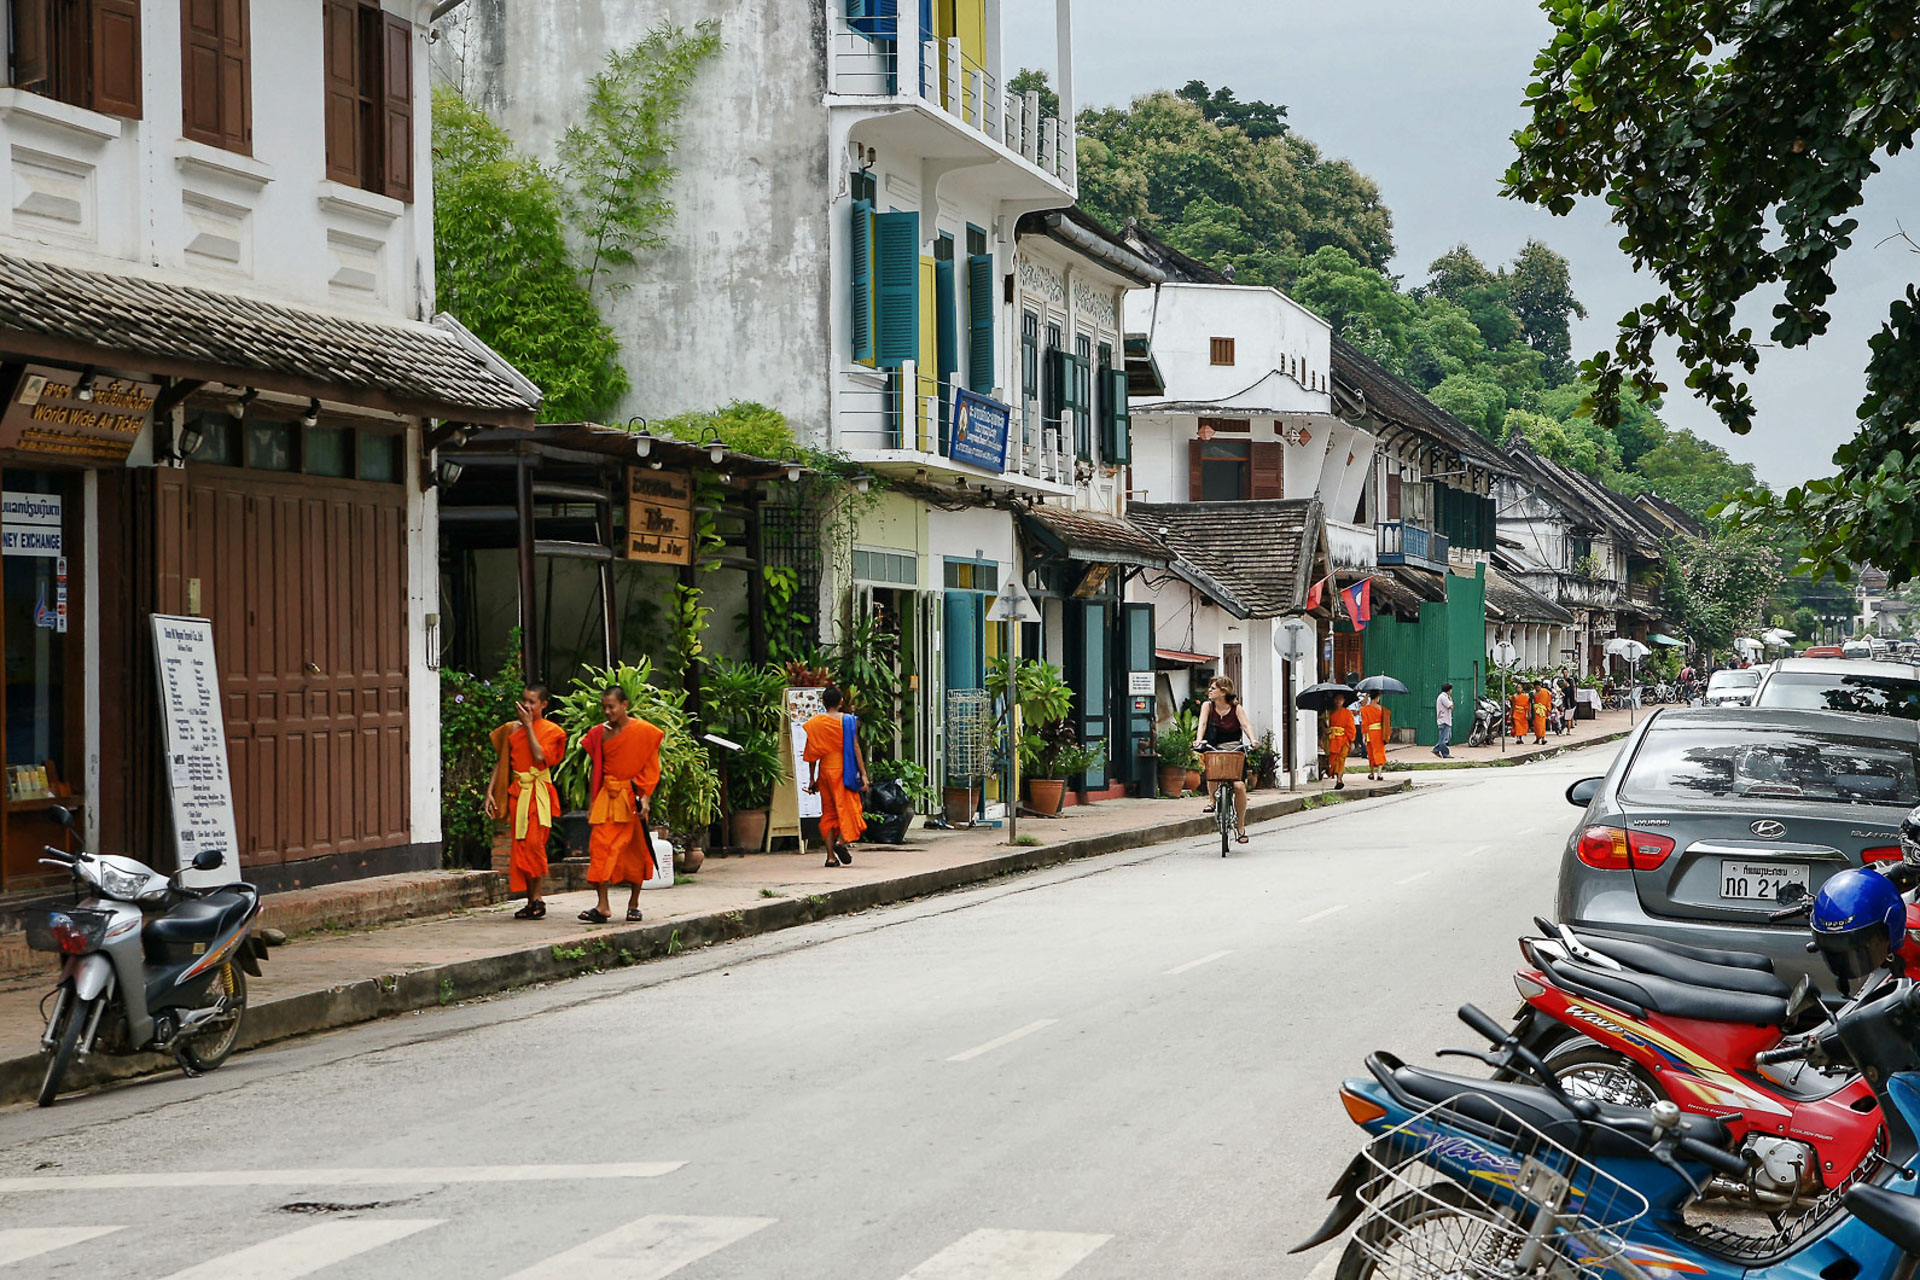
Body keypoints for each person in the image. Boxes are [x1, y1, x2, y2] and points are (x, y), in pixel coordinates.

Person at [577, 686, 664, 924]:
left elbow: (651, 768)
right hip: (608, 796)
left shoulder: (643, 731)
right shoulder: (599, 733)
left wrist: (645, 798)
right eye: (604, 707)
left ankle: (633, 904)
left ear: (624, 705)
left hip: (631, 799)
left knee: (635, 851)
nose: (607, 712)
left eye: (611, 707)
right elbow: (596, 771)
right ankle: (602, 905)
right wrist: (592, 802)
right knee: (600, 848)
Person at [486, 683, 566, 921]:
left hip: (538, 793)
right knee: (521, 847)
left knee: (534, 845)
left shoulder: (552, 731)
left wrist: (529, 726)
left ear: (543, 704)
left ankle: (538, 898)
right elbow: (502, 762)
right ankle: (531, 901)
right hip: (518, 794)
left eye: (532, 702)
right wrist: (490, 792)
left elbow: (540, 756)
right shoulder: (511, 729)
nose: (527, 706)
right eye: (525, 700)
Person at [803, 686, 867, 866]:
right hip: (843, 771)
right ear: (841, 702)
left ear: (823, 703)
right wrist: (863, 774)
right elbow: (855, 747)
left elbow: (812, 754)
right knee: (850, 809)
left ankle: (830, 857)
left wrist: (812, 780)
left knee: (829, 813)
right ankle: (840, 842)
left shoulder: (815, 723)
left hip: (825, 771)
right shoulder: (847, 721)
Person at [1192, 675, 1253, 843]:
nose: (1209, 691)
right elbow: (1202, 724)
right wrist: (1198, 740)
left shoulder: (1236, 708)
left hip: (1234, 750)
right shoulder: (1207, 706)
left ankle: (1240, 827)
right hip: (1214, 748)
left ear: (1223, 691)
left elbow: (1246, 725)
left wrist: (1253, 740)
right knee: (1212, 772)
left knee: (1239, 786)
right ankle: (1212, 801)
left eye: (1213, 688)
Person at [1325, 692, 1355, 791]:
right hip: (1333, 739)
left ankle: (1339, 780)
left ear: (1344, 701)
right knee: (1333, 760)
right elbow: (1324, 726)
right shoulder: (1329, 713)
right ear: (1333, 700)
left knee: (1341, 760)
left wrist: (1351, 740)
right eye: (1337, 699)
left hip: (1344, 739)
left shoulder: (1347, 713)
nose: (1338, 701)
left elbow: (1351, 728)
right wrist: (1327, 730)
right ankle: (1337, 777)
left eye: (1341, 699)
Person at [1358, 690, 1389, 781]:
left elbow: (1364, 724)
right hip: (1379, 733)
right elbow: (1386, 723)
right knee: (1380, 752)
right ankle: (1379, 773)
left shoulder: (1365, 709)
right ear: (1378, 697)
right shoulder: (1383, 709)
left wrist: (1364, 736)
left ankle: (1371, 773)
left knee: (1370, 753)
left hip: (1370, 733)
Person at [1433, 683, 1454, 758]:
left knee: (1446, 737)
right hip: (1444, 720)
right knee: (1444, 739)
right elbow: (1451, 706)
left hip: (1446, 720)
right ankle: (1445, 753)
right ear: (1448, 690)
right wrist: (1451, 700)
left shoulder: (1444, 697)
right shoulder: (1443, 697)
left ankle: (1436, 749)